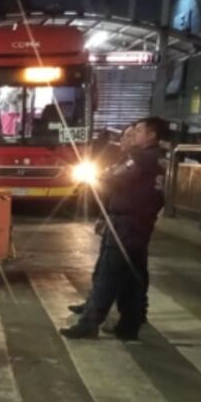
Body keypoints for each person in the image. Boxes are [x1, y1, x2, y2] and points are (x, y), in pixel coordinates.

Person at [61, 117, 167, 340]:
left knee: (108, 275)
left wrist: (100, 176)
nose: (133, 135)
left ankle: (89, 323)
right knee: (132, 278)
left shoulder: (140, 158)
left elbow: (114, 176)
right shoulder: (158, 158)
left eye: (138, 131)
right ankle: (129, 325)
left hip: (127, 224)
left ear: (151, 136)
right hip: (140, 223)